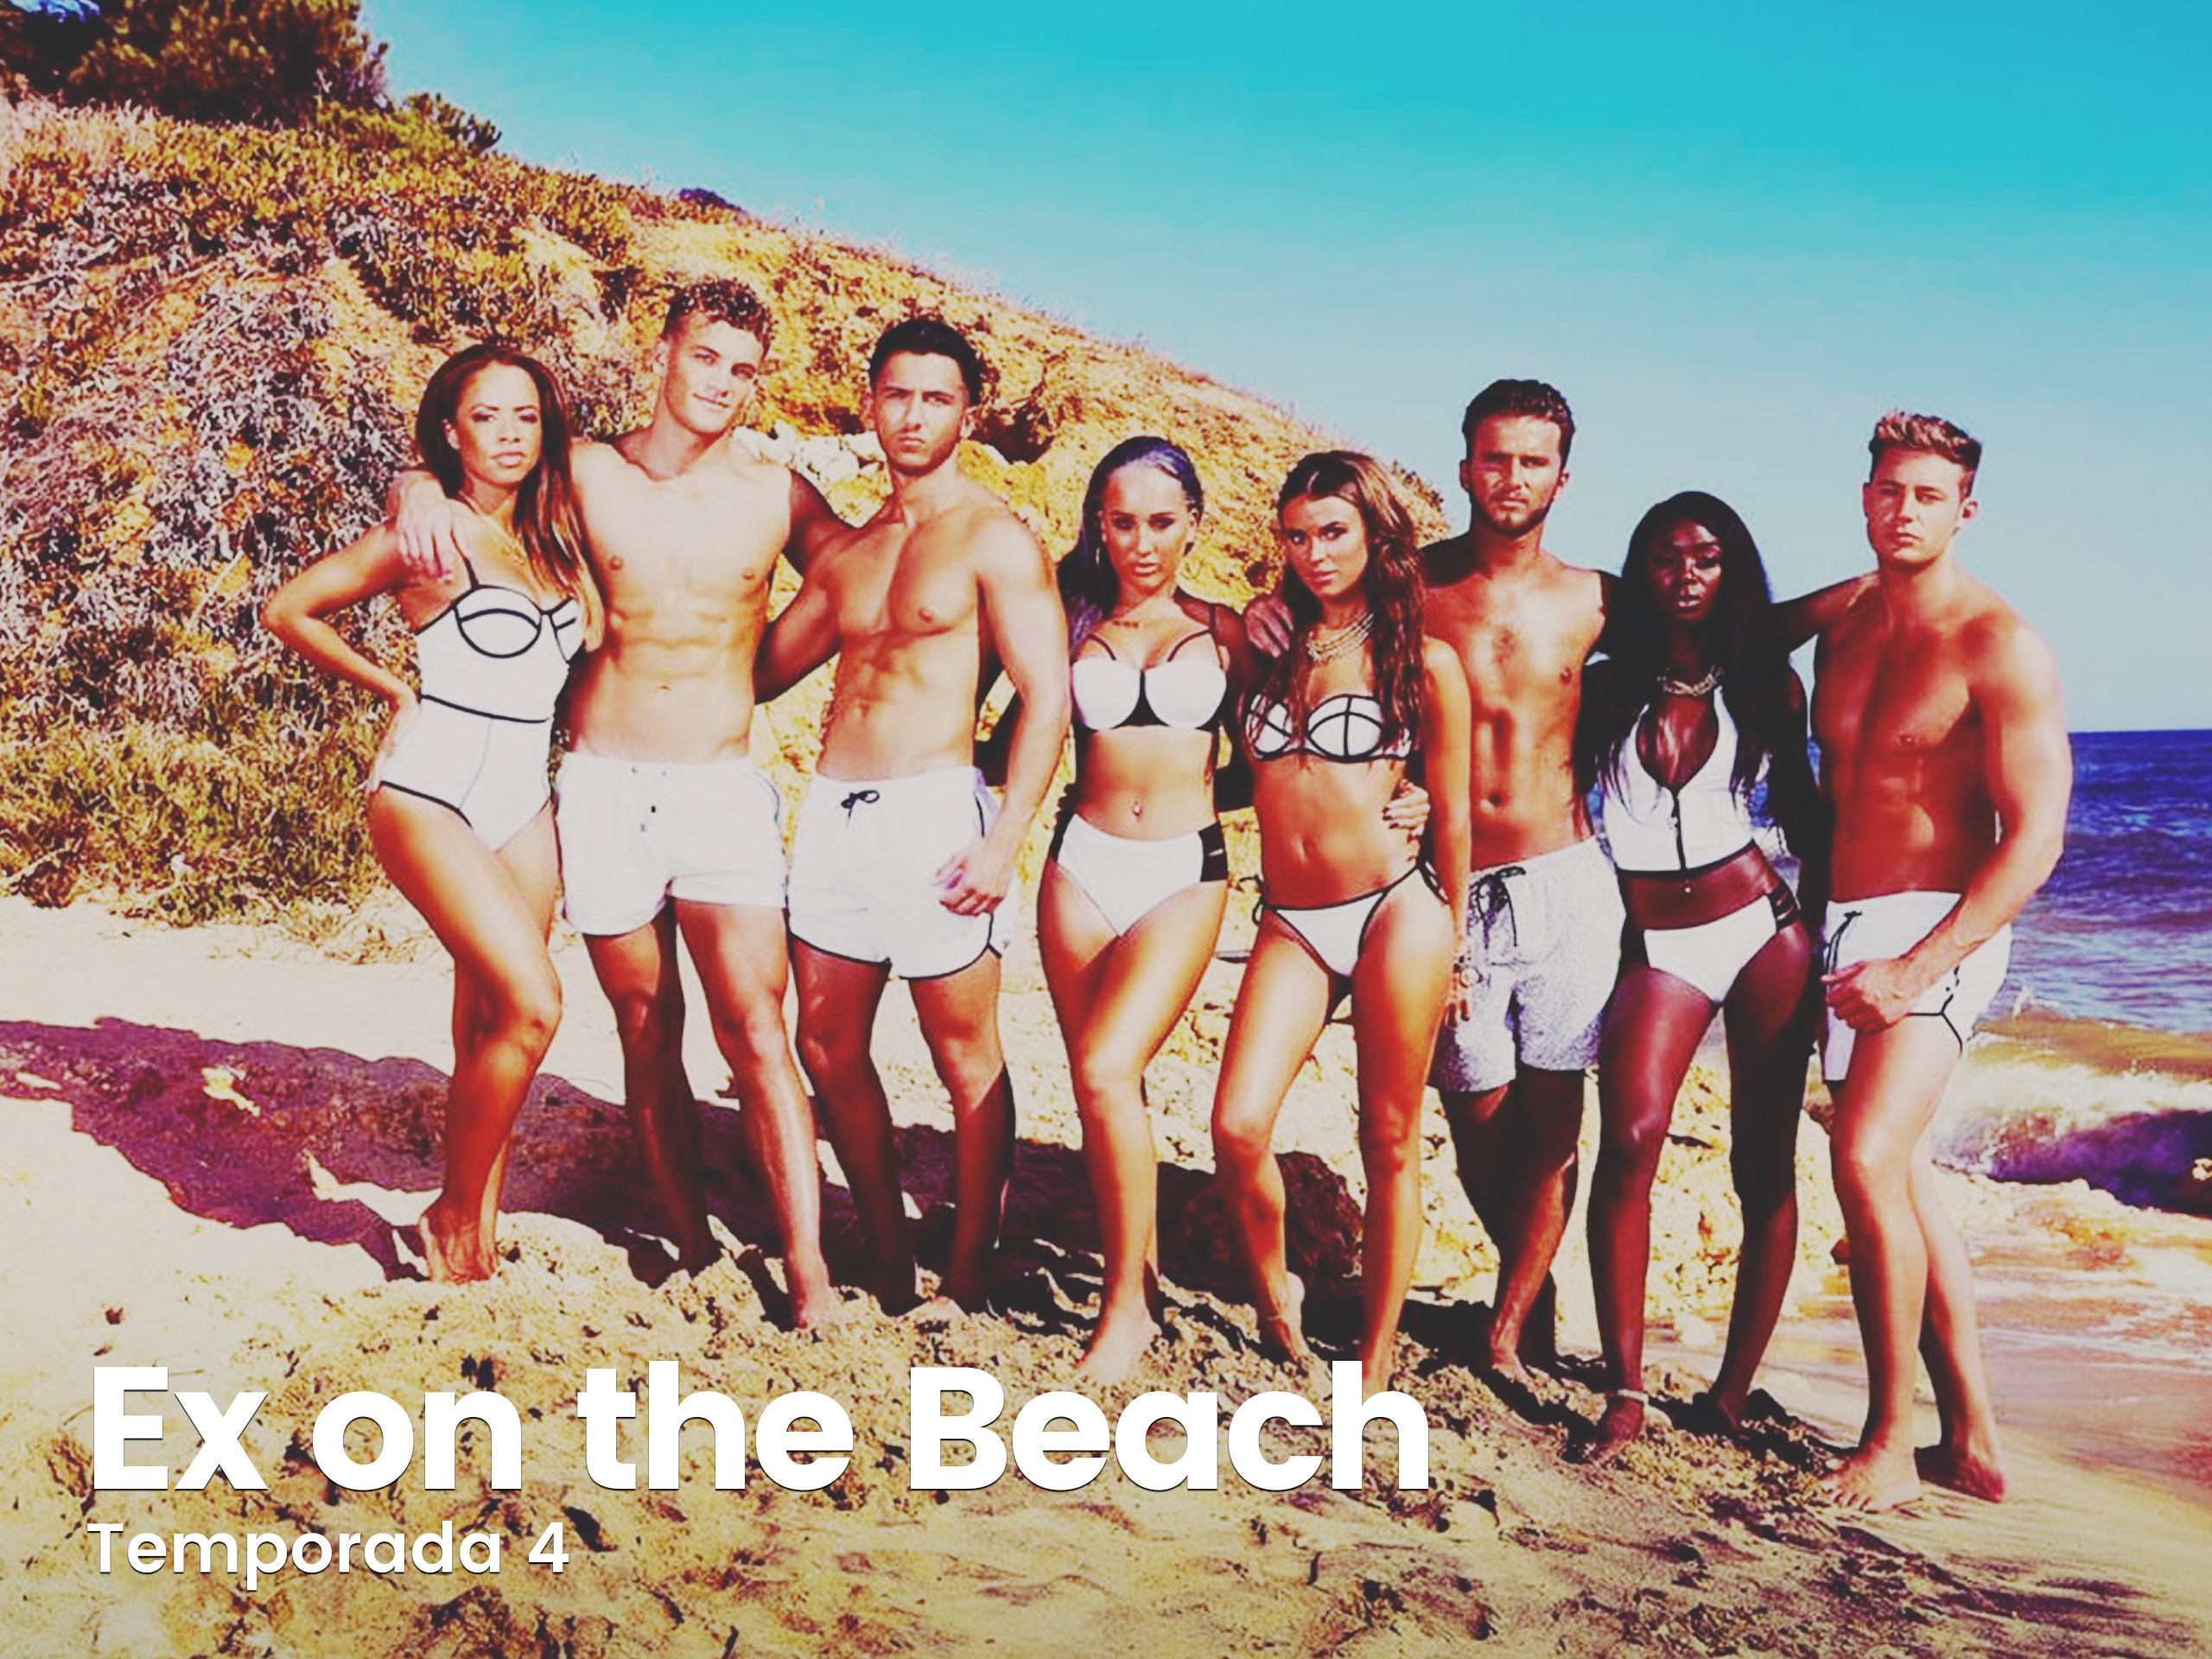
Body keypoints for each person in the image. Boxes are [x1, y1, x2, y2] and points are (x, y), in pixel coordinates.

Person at [1249, 379, 1860, 1384]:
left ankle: (1516, 1327)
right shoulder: (1411, 587)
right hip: (1447, 885)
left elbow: (1729, 631)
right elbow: (1319, 617)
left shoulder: (1598, 601)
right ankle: (1521, 1299)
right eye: (1494, 458)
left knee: (1552, 1123)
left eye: (1532, 462)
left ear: (1562, 479)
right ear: (1463, 467)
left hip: (1567, 879)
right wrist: (1265, 613)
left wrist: (1867, 589)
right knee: (1472, 1115)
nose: (1511, 478)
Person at [395, 281, 843, 1325]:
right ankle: (691, 1246)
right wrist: (411, 486)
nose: (721, 383)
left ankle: (811, 1276)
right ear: (663, 351)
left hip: (720, 787)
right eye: (705, 357)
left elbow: (865, 575)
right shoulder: (584, 472)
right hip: (601, 784)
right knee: (647, 1025)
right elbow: (477, 473)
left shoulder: (778, 494)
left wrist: (760, 676)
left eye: (742, 368)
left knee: (756, 1025)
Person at [264, 344, 601, 1282]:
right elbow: (290, 610)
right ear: (450, 433)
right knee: (535, 1005)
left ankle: (475, 1232)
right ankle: (450, 1214)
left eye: (525, 416)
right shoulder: (427, 534)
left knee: (490, 1021)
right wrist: (393, 692)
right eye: (486, 417)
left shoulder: (558, 537)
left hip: (522, 798)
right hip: (430, 788)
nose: (509, 436)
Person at [756, 316, 1071, 1315]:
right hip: (834, 816)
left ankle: (968, 1273)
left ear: (969, 416)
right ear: (869, 404)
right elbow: (761, 671)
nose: (913, 415)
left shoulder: (993, 537)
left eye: (937, 398)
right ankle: (888, 1256)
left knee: (962, 1052)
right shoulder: (850, 553)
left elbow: (1048, 697)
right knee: (824, 1044)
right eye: (896, 394)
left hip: (936, 814)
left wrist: (1004, 838)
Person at [1813, 411, 2069, 1510]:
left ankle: (1886, 1443)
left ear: (1966, 509)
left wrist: (1915, 969)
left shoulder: (1999, 644)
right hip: (1845, 922)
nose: (1903, 510)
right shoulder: (1842, 628)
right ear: (1863, 498)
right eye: (1887, 491)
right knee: (1905, 1179)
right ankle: (1970, 1440)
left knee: (1865, 1160)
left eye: (1926, 495)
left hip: (1939, 928)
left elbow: (2036, 839)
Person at [1568, 492, 1828, 1465]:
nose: (1686, 575)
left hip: (1763, 931)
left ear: (1732, 570)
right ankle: (1626, 1390)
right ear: (1641, 571)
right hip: (1659, 943)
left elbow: (1803, 817)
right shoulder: (1603, 688)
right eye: (1667, 558)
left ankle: (1727, 1393)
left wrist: (1837, 941)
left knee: (1762, 1165)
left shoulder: (1766, 687)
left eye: (1707, 559)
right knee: (1630, 1139)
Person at [1211, 451, 1471, 1398]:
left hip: (1397, 911)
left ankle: (1378, 1349)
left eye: (1333, 533)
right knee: (1237, 1125)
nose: (1314, 553)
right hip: (1293, 917)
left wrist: (1459, 944)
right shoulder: (1267, 646)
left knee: (1389, 1137)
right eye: (1297, 536)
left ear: (1375, 537)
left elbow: (1455, 809)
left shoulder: (1425, 661)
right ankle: (1276, 1297)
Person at [1037, 436, 1249, 1382]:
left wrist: (1404, 800)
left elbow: (1282, 756)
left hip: (1182, 869)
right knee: (1105, 1089)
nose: (1141, 542)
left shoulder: (1228, 631)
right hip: (1078, 865)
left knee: (1104, 1066)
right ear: (1099, 525)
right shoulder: (1068, 617)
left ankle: (1125, 1307)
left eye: (1161, 521)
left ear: (1193, 523)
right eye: (1121, 523)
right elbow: (1006, 721)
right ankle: (1144, 1275)